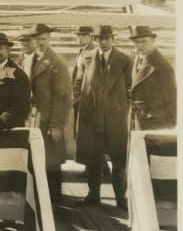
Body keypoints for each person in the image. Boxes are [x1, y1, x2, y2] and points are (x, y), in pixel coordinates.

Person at [76, 26, 133, 209]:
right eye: (100, 38)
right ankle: (93, 196)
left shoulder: (124, 60)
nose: (103, 41)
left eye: (107, 38)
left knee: (118, 161)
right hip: (93, 119)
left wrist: (122, 111)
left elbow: (130, 90)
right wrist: (80, 102)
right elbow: (79, 82)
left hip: (115, 120)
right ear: (95, 39)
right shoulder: (87, 58)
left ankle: (120, 199)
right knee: (94, 160)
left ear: (113, 39)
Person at [25, 24, 73, 203]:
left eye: (44, 39)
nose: (40, 43)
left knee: (51, 162)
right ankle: (38, 198)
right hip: (33, 119)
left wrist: (56, 125)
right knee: (36, 159)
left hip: (48, 121)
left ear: (49, 39)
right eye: (37, 39)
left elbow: (63, 98)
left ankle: (54, 200)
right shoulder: (29, 60)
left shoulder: (56, 64)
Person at [129, 26, 177, 130]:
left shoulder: (161, 65)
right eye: (137, 42)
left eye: (144, 41)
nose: (140, 45)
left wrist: (169, 127)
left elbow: (172, 99)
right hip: (140, 120)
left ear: (152, 40)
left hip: (156, 123)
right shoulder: (138, 58)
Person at [70, 26, 98, 160]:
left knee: (89, 132)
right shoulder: (82, 51)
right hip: (78, 97)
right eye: (78, 35)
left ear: (90, 37)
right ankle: (98, 165)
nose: (79, 38)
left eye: (83, 35)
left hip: (87, 97)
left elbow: (91, 77)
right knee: (83, 132)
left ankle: (93, 164)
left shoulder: (94, 52)